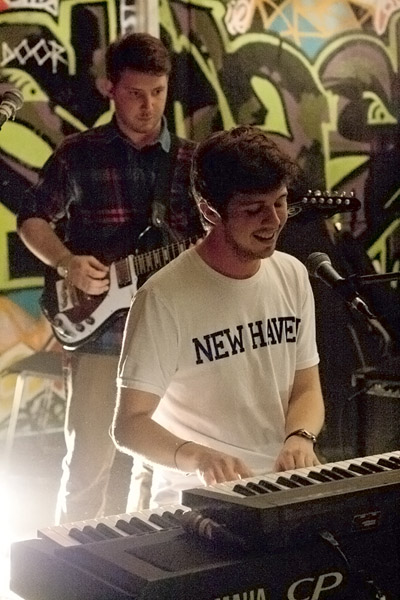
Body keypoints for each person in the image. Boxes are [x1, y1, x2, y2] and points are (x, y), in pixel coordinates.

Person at [17, 32, 204, 523]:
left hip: (172, 328)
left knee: (164, 463)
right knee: (89, 463)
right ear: (110, 88)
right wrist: (66, 262)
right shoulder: (79, 154)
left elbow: (210, 237)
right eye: (136, 93)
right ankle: (73, 577)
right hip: (101, 330)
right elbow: (32, 220)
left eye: (158, 92)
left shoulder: (191, 161)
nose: (148, 105)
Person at [112, 125, 325, 507]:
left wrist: (300, 436)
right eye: (254, 209)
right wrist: (199, 457)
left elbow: (307, 387)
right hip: (195, 503)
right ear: (210, 211)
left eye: (279, 202)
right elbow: (129, 425)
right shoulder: (163, 298)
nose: (274, 220)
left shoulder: (292, 274)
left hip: (281, 491)